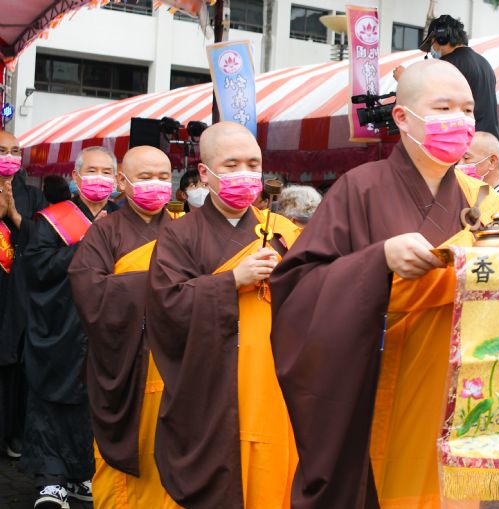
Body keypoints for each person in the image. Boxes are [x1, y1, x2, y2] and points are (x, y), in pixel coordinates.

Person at [270, 59, 499, 509]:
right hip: (381, 392)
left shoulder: (483, 202)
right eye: (444, 108)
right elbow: (297, 290)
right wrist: (377, 261)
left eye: (468, 111)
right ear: (403, 118)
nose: (460, 122)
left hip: (467, 395)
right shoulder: (359, 189)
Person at [146, 122, 299, 509]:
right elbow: (166, 304)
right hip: (212, 387)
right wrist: (231, 280)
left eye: (253, 164)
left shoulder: (281, 232)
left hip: (273, 382)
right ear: (205, 173)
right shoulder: (180, 235)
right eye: (231, 165)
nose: (245, 175)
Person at [68, 146, 183, 508]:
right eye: (145, 177)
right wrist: (157, 284)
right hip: (124, 367)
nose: (156, 185)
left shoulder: (185, 231)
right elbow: (89, 289)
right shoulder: (105, 232)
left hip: (174, 368)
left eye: (164, 178)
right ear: (123, 181)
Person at [21, 146, 119, 508]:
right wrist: (90, 242)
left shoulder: (123, 217)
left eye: (107, 172)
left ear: (117, 179)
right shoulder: (51, 220)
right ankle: (51, 478)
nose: (99, 178)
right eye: (91, 171)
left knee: (94, 402)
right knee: (52, 400)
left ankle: (81, 474)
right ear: (76, 178)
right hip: (60, 322)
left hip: (107, 327)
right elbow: (38, 268)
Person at [0, 131, 48, 461]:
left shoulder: (32, 195)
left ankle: (12, 432)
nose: (10, 156)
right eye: (3, 150)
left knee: (15, 365)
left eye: (15, 150)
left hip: (19, 290)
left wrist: (15, 215)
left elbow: (45, 239)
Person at [395, 15, 499, 140]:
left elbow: (428, 94)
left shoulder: (447, 64)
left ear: (442, 38)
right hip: (490, 143)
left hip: (468, 147)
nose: (432, 51)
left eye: (431, 44)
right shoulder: (484, 63)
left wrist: (406, 77)